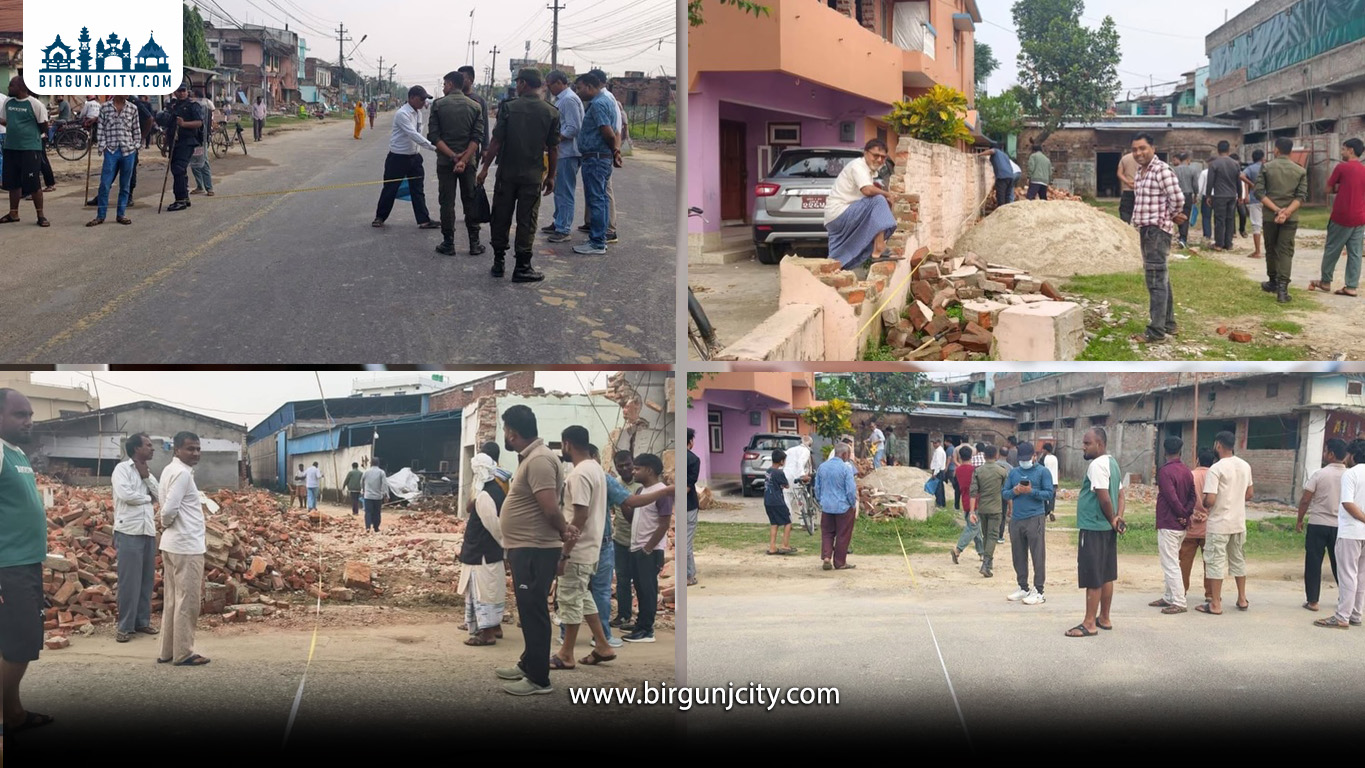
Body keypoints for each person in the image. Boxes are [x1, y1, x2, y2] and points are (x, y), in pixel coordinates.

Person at [493, 405, 568, 694]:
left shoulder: (538, 460)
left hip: (536, 548)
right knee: (528, 610)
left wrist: (564, 531)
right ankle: (528, 663)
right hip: (525, 547)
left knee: (535, 612)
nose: (504, 435)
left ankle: (539, 679)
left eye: (504, 429)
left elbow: (549, 508)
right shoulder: (532, 458)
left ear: (511, 432)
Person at [0, 389, 56, 734]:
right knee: (21, 644)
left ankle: (14, 713)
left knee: (16, 644)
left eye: (30, 414)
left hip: (24, 563)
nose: (28, 421)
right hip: (9, 566)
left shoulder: (15, 453)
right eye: (20, 414)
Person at [477, 69, 560, 283]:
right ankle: (522, 267)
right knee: (527, 220)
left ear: (523, 83)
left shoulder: (509, 108)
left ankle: (498, 263)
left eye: (518, 82)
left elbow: (496, 142)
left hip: (507, 174)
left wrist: (485, 168)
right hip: (532, 177)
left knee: (501, 216)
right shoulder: (550, 112)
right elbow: (553, 148)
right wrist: (551, 176)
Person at [551, 426, 613, 669]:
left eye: (562, 446)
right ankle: (602, 645)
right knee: (583, 596)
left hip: (578, 549)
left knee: (569, 600)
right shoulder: (596, 468)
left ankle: (566, 654)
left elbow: (580, 516)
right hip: (592, 547)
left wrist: (565, 552)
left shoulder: (579, 474)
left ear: (567, 444)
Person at [1128, 132, 1187, 345]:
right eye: (1134, 149)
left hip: (1156, 231)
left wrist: (1171, 214)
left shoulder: (1161, 170)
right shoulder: (1140, 172)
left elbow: (1178, 197)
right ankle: (1169, 323)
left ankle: (1156, 332)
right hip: (1146, 229)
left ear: (1152, 148)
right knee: (1161, 277)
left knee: (1155, 280)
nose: (1138, 153)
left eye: (1142, 148)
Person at [1066, 427, 1125, 637]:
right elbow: (1120, 495)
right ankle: (1104, 618)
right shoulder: (1113, 463)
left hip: (1093, 527)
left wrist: (1111, 518)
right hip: (1107, 529)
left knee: (1093, 575)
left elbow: (1104, 497)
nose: (1083, 446)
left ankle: (1089, 623)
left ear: (1099, 444)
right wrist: (1117, 518)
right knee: (1106, 574)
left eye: (1087, 443)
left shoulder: (1097, 465)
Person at [157, 431, 209, 666]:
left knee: (172, 599)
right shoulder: (181, 474)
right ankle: (184, 653)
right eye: (190, 448)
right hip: (186, 545)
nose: (195, 453)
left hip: (172, 545)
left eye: (198, 448)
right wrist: (165, 523)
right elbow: (168, 510)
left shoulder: (170, 470)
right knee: (187, 600)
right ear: (176, 449)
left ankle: (168, 651)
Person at [428, 71, 485, 257]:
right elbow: (477, 137)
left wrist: (453, 156)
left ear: (451, 84)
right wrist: (464, 159)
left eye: (444, 84)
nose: (443, 88)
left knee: (447, 202)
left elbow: (434, 137)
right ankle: (474, 243)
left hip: (446, 162)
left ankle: (448, 243)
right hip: (468, 163)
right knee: (470, 200)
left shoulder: (438, 105)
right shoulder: (475, 106)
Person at [1197, 430, 1253, 615]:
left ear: (1218, 445)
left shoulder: (1217, 468)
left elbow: (1210, 500)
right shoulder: (1245, 466)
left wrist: (1205, 502)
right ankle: (1242, 598)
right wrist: (1235, 499)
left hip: (1219, 523)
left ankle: (1215, 603)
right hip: (1238, 522)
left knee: (1215, 562)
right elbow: (1249, 494)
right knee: (1238, 559)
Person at [373, 86, 444, 230]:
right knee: (390, 188)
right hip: (398, 158)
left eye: (425, 99)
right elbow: (414, 135)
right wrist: (435, 148)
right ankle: (380, 217)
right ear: (411, 98)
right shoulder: (402, 114)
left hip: (414, 158)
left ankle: (424, 220)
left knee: (418, 189)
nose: (423, 102)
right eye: (421, 99)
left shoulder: (418, 113)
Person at [112, 433, 161, 643]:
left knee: (146, 581)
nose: (152, 449)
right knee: (129, 582)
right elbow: (126, 495)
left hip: (147, 531)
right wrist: (147, 499)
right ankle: (125, 627)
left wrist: (146, 477)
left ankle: (142, 622)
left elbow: (161, 495)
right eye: (148, 445)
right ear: (135, 449)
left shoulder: (147, 473)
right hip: (128, 531)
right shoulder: (122, 469)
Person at [824, 138, 899, 270]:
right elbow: (867, 190)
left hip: (834, 218)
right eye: (875, 155)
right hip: (840, 214)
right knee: (878, 200)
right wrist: (888, 194)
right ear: (865, 153)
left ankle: (831, 277)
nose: (879, 160)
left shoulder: (867, 169)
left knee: (835, 262)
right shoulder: (858, 166)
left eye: (883, 157)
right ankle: (879, 249)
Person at [570, 72, 622, 256]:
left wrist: (613, 149)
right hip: (600, 156)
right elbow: (615, 130)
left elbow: (608, 131)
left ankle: (597, 242)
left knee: (597, 199)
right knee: (600, 198)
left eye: (580, 88)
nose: (578, 92)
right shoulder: (606, 101)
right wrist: (614, 151)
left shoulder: (599, 104)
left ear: (590, 87)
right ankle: (599, 238)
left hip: (596, 157)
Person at [1316, 439, 1365, 629]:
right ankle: (1356, 613)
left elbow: (1348, 503)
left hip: (1351, 531)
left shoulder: (1350, 474)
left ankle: (1342, 616)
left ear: (1352, 455)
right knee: (1361, 575)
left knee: (1347, 575)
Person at [622, 453, 671, 644]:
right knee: (640, 590)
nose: (633, 472)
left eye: (637, 468)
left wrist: (648, 548)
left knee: (648, 590)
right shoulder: (642, 491)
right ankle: (640, 624)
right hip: (637, 548)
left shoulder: (662, 492)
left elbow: (664, 523)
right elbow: (633, 518)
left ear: (649, 470)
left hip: (649, 550)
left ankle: (646, 630)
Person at [1254, 136, 1310, 303]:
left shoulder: (1267, 167)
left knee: (1271, 249)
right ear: (1291, 151)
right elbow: (1301, 196)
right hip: (1290, 217)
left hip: (1271, 216)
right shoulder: (1300, 170)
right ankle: (1283, 291)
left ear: (1276, 149)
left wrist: (1277, 210)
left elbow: (1259, 193)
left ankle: (1272, 281)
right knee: (1285, 251)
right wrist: (1286, 212)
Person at [1310, 138, 1365, 297]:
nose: (1341, 152)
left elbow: (1327, 189)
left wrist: (1338, 189)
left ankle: (1326, 281)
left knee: (1332, 249)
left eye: (1343, 149)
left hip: (1341, 216)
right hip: (1360, 216)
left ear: (1351, 151)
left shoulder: (1341, 167)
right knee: (1355, 253)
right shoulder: (1364, 170)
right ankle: (1351, 286)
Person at [1298, 438, 1347, 612]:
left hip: (1318, 523)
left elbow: (1305, 499)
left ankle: (1313, 601)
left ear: (1332, 454)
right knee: (1340, 564)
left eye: (1326, 451)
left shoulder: (1319, 474)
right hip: (1341, 526)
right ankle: (1345, 598)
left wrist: (1299, 520)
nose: (1324, 454)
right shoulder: (1349, 475)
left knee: (1313, 562)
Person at [1003, 442, 1054, 606]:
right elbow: (1004, 493)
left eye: (1027, 458)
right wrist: (1015, 491)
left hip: (1035, 518)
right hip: (1016, 518)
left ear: (1034, 456)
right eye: (1021, 459)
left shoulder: (1042, 472)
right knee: (1018, 554)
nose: (1024, 462)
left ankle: (1039, 590)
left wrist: (1031, 492)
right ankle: (1023, 587)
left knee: (1037, 555)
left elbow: (1049, 494)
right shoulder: (1014, 473)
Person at [0, 76, 51, 226]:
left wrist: (31, 136)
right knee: (12, 182)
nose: (8, 88)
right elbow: (7, 121)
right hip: (10, 147)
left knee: (33, 183)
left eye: (11, 86)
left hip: (30, 149)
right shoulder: (8, 103)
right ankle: (13, 213)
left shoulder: (35, 104)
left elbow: (44, 125)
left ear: (21, 87)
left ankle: (41, 215)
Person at [1152, 436, 1195, 614]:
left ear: (1164, 451)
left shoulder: (1165, 472)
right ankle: (1169, 596)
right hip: (1180, 524)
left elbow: (1171, 498)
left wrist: (1181, 514)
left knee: (1170, 563)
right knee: (1172, 561)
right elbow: (1193, 497)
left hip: (1169, 522)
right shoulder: (1186, 471)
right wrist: (1186, 514)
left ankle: (1178, 600)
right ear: (1180, 451)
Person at [86, 93, 142, 227]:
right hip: (111, 150)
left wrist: (136, 146)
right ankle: (100, 216)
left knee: (125, 185)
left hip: (128, 151)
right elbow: (101, 129)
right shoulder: (105, 108)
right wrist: (103, 146)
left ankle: (121, 214)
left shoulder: (133, 108)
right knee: (105, 184)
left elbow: (136, 129)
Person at [544, 70, 583, 244]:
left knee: (565, 191)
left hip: (568, 152)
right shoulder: (563, 99)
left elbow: (573, 128)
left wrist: (554, 140)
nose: (549, 88)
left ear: (559, 82)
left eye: (550, 84)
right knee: (559, 190)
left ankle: (563, 228)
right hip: (562, 152)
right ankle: (558, 221)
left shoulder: (568, 100)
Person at [814, 442, 858, 571]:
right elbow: (850, 490)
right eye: (848, 454)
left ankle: (826, 557)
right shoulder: (846, 468)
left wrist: (820, 500)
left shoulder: (822, 467)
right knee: (843, 534)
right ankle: (840, 562)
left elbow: (817, 487)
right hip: (843, 507)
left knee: (827, 533)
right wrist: (852, 504)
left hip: (827, 506)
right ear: (844, 454)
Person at [1181, 448, 1215, 606]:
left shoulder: (1190, 475)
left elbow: (1183, 499)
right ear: (1213, 461)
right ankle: (1210, 594)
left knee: (1184, 561)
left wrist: (1193, 513)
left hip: (1191, 526)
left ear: (1198, 460)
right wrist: (1207, 514)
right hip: (1210, 526)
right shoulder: (1215, 476)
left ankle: (1181, 591)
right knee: (1210, 562)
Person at [969, 444, 1009, 578]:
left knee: (986, 535)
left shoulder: (978, 471)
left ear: (984, 456)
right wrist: (1011, 507)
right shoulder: (1002, 471)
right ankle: (986, 563)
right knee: (993, 536)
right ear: (996, 456)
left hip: (982, 508)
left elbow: (973, 492)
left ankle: (989, 561)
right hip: (996, 508)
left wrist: (971, 512)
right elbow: (1007, 491)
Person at [163, 82, 204, 213]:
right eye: (179, 91)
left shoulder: (193, 106)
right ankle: (184, 197)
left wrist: (184, 124)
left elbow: (199, 123)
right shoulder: (173, 107)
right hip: (174, 142)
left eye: (183, 90)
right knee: (178, 169)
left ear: (187, 91)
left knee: (179, 168)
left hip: (187, 141)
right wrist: (164, 146)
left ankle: (180, 199)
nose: (181, 93)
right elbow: (169, 128)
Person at [1207, 140, 1242, 252]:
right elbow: (1238, 181)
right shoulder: (1235, 164)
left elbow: (1210, 181)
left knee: (1219, 220)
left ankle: (1219, 244)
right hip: (1232, 195)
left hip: (1220, 196)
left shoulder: (1214, 164)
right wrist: (1240, 195)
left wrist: (1208, 195)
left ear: (1218, 150)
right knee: (1230, 219)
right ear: (1228, 150)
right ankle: (1229, 244)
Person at [951, 445, 982, 564]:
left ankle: (982, 553)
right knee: (973, 527)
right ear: (972, 456)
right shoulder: (974, 470)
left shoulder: (958, 470)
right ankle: (958, 549)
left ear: (959, 457)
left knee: (976, 529)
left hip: (964, 500)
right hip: (975, 501)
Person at [765, 449, 794, 555]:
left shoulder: (768, 471)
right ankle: (785, 544)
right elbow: (786, 485)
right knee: (788, 521)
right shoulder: (779, 472)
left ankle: (772, 546)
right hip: (777, 500)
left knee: (774, 523)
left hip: (768, 500)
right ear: (781, 461)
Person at [458, 65, 490, 162]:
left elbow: (484, 125)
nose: (459, 81)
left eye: (462, 78)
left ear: (471, 80)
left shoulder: (479, 101)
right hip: (453, 147)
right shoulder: (452, 99)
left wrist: (485, 148)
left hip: (472, 147)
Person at [1240, 149, 1266, 259]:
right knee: (1268, 225)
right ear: (1263, 158)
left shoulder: (1251, 168)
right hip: (1268, 199)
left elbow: (1241, 176)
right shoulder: (1267, 167)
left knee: (1256, 225)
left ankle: (1258, 251)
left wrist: (1251, 184)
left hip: (1255, 199)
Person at [188, 89, 214, 197]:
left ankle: (209, 187)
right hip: (193, 139)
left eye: (191, 95)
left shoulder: (203, 106)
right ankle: (200, 186)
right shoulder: (192, 107)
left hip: (201, 139)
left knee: (203, 162)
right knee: (194, 163)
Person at [1172, 152, 1200, 249]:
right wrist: (1196, 195)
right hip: (1187, 195)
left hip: (1176, 195)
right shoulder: (1192, 170)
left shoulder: (1174, 170)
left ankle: (1180, 236)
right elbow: (1195, 185)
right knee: (1186, 216)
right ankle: (1183, 239)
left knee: (1177, 215)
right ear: (1188, 160)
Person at [783, 434, 813, 514]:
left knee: (787, 500)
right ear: (810, 444)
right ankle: (804, 522)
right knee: (800, 499)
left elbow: (783, 459)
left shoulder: (790, 449)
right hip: (796, 477)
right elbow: (800, 462)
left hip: (786, 476)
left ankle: (788, 521)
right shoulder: (806, 451)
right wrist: (802, 475)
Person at [983, 141, 1017, 208]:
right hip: (1010, 176)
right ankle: (1007, 212)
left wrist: (978, 155)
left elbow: (992, 151)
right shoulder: (1005, 155)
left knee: (1001, 196)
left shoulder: (996, 151)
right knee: (1007, 197)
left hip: (1002, 177)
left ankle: (1001, 213)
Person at [686, 427, 700, 586]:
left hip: (684, 506)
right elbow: (688, 486)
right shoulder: (693, 460)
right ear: (690, 441)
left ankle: (688, 574)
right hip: (689, 506)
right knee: (686, 542)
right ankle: (689, 575)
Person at [1115, 147, 1139, 223]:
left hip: (1127, 189)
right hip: (1141, 190)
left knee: (1125, 212)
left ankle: (1126, 228)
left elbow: (1119, 173)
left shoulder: (1125, 158)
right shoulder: (1144, 158)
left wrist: (1127, 182)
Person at [1041, 442, 1060, 522]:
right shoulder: (1055, 458)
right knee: (1052, 498)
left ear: (1045, 450)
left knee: (1045, 497)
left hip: (1047, 481)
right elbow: (1058, 469)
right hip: (1054, 481)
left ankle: (1046, 513)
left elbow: (1042, 469)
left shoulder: (1044, 458)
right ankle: (1051, 511)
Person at [928, 437, 948, 508]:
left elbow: (938, 464)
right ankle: (942, 503)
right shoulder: (938, 450)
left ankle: (939, 503)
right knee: (940, 488)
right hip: (939, 471)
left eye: (935, 443)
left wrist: (935, 473)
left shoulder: (939, 451)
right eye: (933, 443)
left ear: (939, 443)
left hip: (939, 471)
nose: (934, 444)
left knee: (938, 489)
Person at [1198, 160, 1213, 243]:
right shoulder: (1220, 172)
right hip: (1218, 196)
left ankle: (1207, 235)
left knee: (1206, 217)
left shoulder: (1204, 172)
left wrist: (1197, 197)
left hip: (1206, 196)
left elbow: (1200, 186)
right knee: (1218, 217)